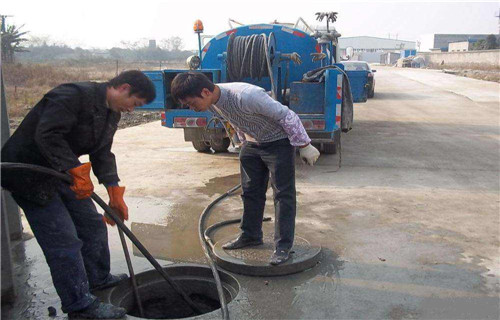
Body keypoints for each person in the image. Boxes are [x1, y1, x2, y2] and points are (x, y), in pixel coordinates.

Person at [1, 70, 155, 319]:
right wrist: (75, 169)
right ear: (124, 88)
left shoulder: (111, 113)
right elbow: (47, 135)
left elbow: (103, 152)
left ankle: (98, 279)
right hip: (28, 173)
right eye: (134, 103)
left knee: (92, 225)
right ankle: (80, 306)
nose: (132, 110)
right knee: (64, 241)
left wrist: (114, 189)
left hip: (61, 170)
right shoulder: (72, 95)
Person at [171, 72, 320, 265]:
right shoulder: (213, 103)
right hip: (252, 144)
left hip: (278, 143)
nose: (191, 108)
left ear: (205, 92)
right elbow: (235, 120)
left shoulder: (247, 96)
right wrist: (241, 142)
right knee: (250, 192)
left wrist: (304, 144)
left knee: (283, 195)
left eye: (191, 103)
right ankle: (250, 235)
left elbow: (286, 115)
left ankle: (283, 246)